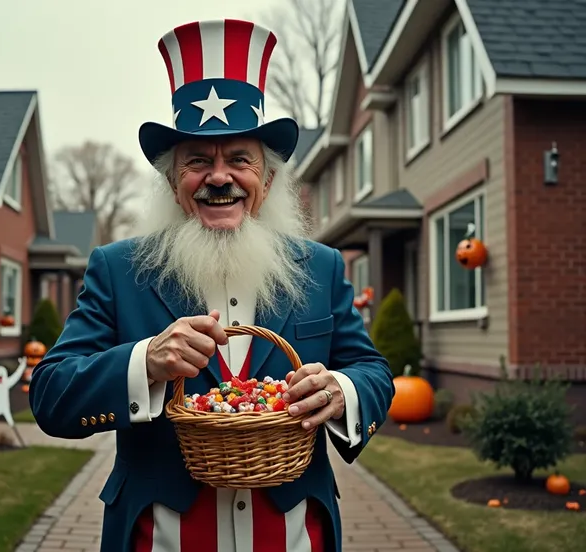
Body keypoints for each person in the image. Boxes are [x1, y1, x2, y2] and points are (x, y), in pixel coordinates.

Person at [29, 18, 394, 552]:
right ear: (174, 184)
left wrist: (341, 391)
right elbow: (51, 394)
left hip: (294, 536)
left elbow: (375, 373)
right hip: (161, 538)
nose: (219, 177)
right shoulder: (119, 269)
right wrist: (144, 361)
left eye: (238, 159)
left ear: (266, 182)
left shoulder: (320, 267)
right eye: (198, 161)